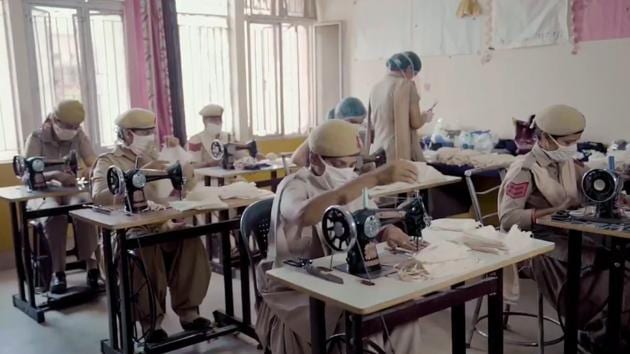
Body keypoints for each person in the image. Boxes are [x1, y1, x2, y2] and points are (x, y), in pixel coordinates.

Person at [257, 119, 423, 354]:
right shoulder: (293, 186)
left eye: (350, 164)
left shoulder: (349, 183)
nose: (345, 170)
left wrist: (387, 231)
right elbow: (302, 215)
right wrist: (373, 178)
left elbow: (367, 222)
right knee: (366, 320)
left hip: (343, 278)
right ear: (314, 158)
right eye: (337, 164)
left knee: (405, 313)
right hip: (298, 289)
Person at [498, 104, 630, 352]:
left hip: (564, 232)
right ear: (546, 138)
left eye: (576, 141)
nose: (573, 147)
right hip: (535, 241)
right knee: (603, 271)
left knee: (618, 263)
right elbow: (508, 218)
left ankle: (610, 331)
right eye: (568, 142)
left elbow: (593, 182)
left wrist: (615, 192)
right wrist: (551, 211)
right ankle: (597, 331)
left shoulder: (566, 162)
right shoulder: (525, 169)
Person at [91, 108, 212, 343]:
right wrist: (127, 182)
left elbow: (187, 182)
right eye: (143, 132)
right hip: (126, 230)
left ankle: (189, 313)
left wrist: (180, 160)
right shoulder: (108, 161)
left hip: (161, 223)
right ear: (126, 134)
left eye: (151, 132)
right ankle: (151, 322)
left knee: (189, 238)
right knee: (142, 246)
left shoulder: (157, 157)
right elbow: (98, 196)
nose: (149, 137)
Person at [23, 99, 99, 294]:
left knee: (86, 209)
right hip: (42, 191)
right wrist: (54, 175)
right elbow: (26, 175)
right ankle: (59, 273)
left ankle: (92, 267)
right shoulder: (36, 138)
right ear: (54, 120)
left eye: (76, 126)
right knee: (55, 215)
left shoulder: (78, 135)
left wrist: (89, 171)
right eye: (68, 126)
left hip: (71, 190)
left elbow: (93, 162)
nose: (73, 130)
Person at [365, 51, 434, 163]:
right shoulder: (406, 86)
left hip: (378, 150)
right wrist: (426, 116)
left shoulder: (376, 87)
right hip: (397, 152)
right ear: (408, 69)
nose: (413, 77)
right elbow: (415, 122)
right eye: (414, 73)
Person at [291, 96, 368, 167]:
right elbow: (297, 159)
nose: (357, 126)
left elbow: (358, 163)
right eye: (353, 122)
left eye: (360, 122)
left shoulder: (355, 136)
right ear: (338, 120)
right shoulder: (324, 134)